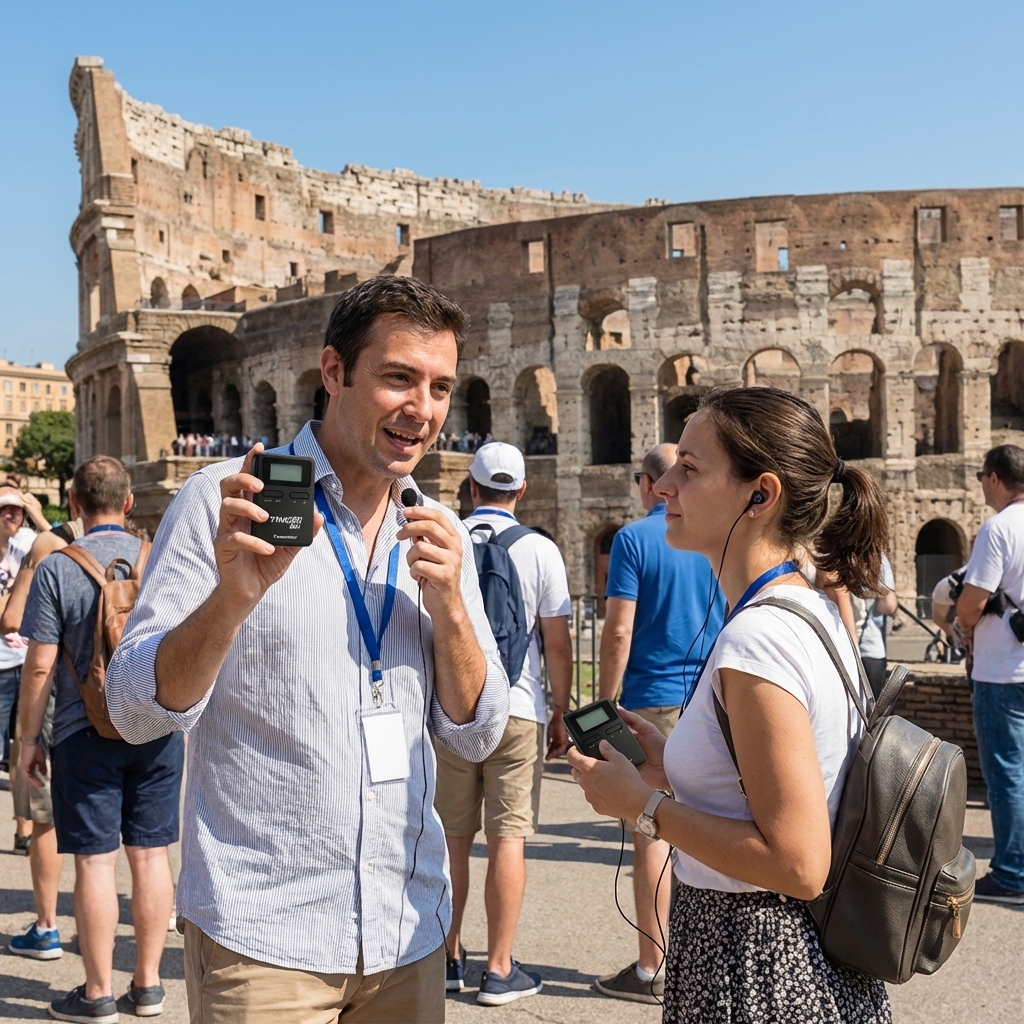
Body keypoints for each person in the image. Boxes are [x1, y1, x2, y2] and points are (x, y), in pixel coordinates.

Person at [106, 276, 510, 1023]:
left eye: (441, 387)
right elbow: (132, 708)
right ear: (333, 372)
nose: (422, 409)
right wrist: (232, 599)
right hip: (267, 939)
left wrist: (451, 607)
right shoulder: (223, 500)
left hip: (408, 932)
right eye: (398, 378)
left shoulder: (436, 530)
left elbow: (478, 729)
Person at [568, 386, 892, 1024]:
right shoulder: (810, 610)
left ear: (760, 495)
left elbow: (797, 862)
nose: (663, 486)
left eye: (689, 469)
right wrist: (669, 764)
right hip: (794, 953)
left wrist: (643, 806)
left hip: (758, 962)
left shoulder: (757, 639)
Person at [19, 457, 182, 1021]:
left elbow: (39, 666)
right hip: (156, 724)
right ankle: (149, 984)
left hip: (82, 729)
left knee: (93, 862)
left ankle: (96, 993)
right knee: (151, 853)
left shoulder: (57, 568)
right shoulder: (157, 557)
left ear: (73, 505)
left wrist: (26, 742)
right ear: (129, 503)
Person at [434, 441, 573, 1005]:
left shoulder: (447, 537)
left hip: (453, 706)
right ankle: (499, 968)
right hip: (517, 709)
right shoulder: (540, 550)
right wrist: (561, 709)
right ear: (521, 490)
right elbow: (558, 644)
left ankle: (447, 957)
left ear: (471, 489)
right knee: (508, 836)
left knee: (451, 840)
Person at [594, 443, 725, 1003]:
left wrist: (600, 703)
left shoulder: (634, 539)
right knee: (712, 828)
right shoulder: (712, 536)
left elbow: (618, 629)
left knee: (651, 830)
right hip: (712, 697)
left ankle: (652, 967)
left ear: (646, 484)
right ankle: (706, 959)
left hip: (651, 697)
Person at [2, 522, 79, 961]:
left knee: (45, 820)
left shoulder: (50, 554)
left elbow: (11, 621)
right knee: (131, 840)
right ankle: (142, 976)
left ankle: (48, 928)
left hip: (57, 704)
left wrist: (32, 563)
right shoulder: (137, 554)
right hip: (120, 706)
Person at [955, 444, 1024, 903]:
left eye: (982, 476)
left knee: (1007, 771)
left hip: (1003, 671)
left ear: (996, 478)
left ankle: (1013, 874)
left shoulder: (999, 529)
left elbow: (971, 601)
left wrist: (964, 628)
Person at [848, 554, 897, 698]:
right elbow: (889, 605)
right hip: (870, 646)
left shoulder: (828, 551)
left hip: (840, 644)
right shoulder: (877, 557)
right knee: (872, 709)